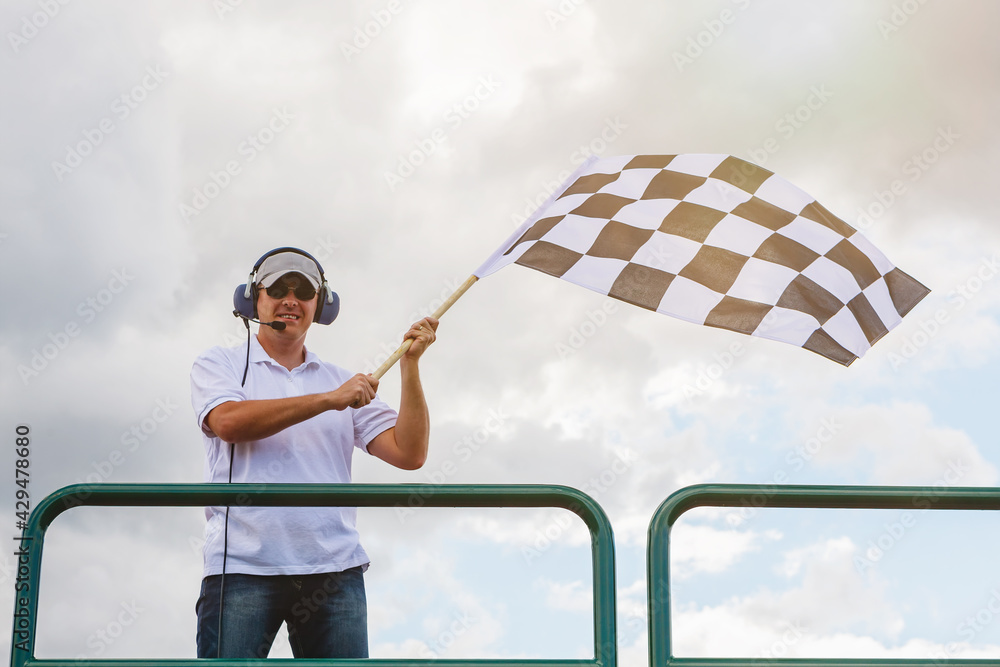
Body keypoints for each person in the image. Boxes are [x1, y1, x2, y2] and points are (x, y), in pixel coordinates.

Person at [189, 247, 438, 658]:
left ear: (320, 306)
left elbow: (409, 453)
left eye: (303, 291)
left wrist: (410, 366)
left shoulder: (342, 381)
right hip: (241, 567)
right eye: (278, 289)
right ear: (253, 299)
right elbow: (228, 423)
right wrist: (328, 400)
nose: (291, 299)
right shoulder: (219, 363)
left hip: (335, 570)